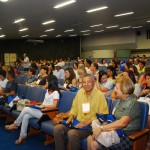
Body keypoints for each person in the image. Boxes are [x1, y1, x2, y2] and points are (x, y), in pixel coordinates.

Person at [54, 74, 108, 150]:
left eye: (89, 82)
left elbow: (103, 116)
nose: (86, 84)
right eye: (84, 82)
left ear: (93, 82)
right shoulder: (80, 92)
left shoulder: (100, 95)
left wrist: (88, 122)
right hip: (77, 122)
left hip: (90, 126)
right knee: (57, 129)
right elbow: (74, 107)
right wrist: (72, 115)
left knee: (72, 133)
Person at [87, 77, 141, 150]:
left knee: (94, 144)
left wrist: (101, 128)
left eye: (117, 88)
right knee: (90, 138)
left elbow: (122, 123)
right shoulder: (122, 100)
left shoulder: (132, 103)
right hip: (116, 132)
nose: (114, 89)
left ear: (125, 90)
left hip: (127, 136)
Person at [5, 78, 61, 144]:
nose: (46, 83)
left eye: (47, 82)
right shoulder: (47, 91)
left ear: (51, 82)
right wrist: (39, 106)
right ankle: (23, 136)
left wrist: (44, 106)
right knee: (26, 116)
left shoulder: (56, 93)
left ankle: (15, 124)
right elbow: (44, 102)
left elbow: (54, 106)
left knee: (26, 109)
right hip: (42, 110)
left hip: (48, 113)